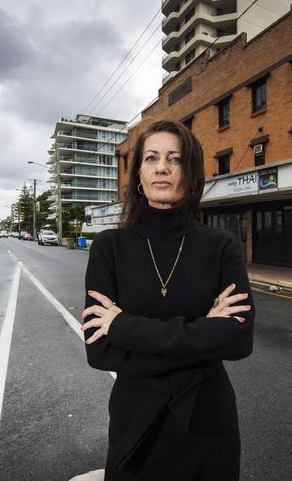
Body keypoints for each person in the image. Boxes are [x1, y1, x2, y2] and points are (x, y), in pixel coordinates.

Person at [81, 120, 255, 481]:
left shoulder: (221, 246)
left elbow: (239, 341)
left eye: (174, 159)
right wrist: (204, 332)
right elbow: (99, 351)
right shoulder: (109, 247)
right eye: (151, 158)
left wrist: (123, 326)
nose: (161, 167)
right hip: (136, 417)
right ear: (139, 176)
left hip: (207, 416)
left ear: (190, 175)